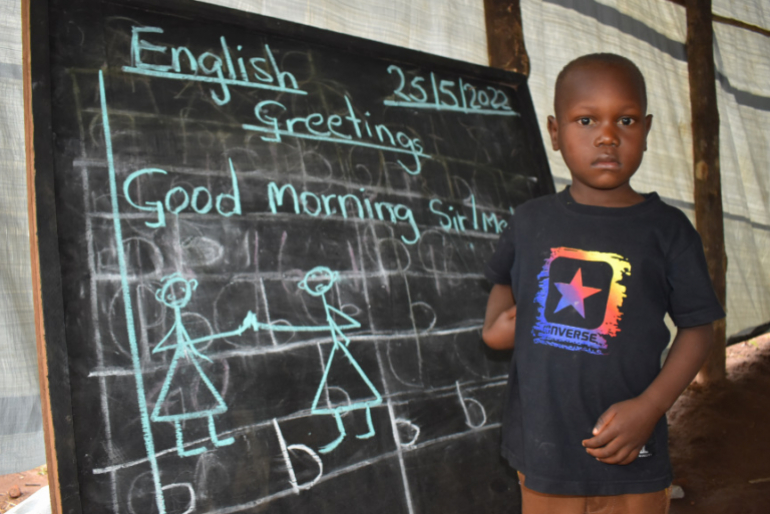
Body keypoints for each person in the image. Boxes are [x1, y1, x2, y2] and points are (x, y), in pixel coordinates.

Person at [482, 53, 725, 514]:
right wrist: (496, 325)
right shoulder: (529, 221)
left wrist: (650, 407)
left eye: (626, 120)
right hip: (544, 454)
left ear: (647, 131)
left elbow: (698, 328)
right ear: (555, 132)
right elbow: (502, 280)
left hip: (631, 456)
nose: (608, 135)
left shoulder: (668, 230)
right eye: (586, 120)